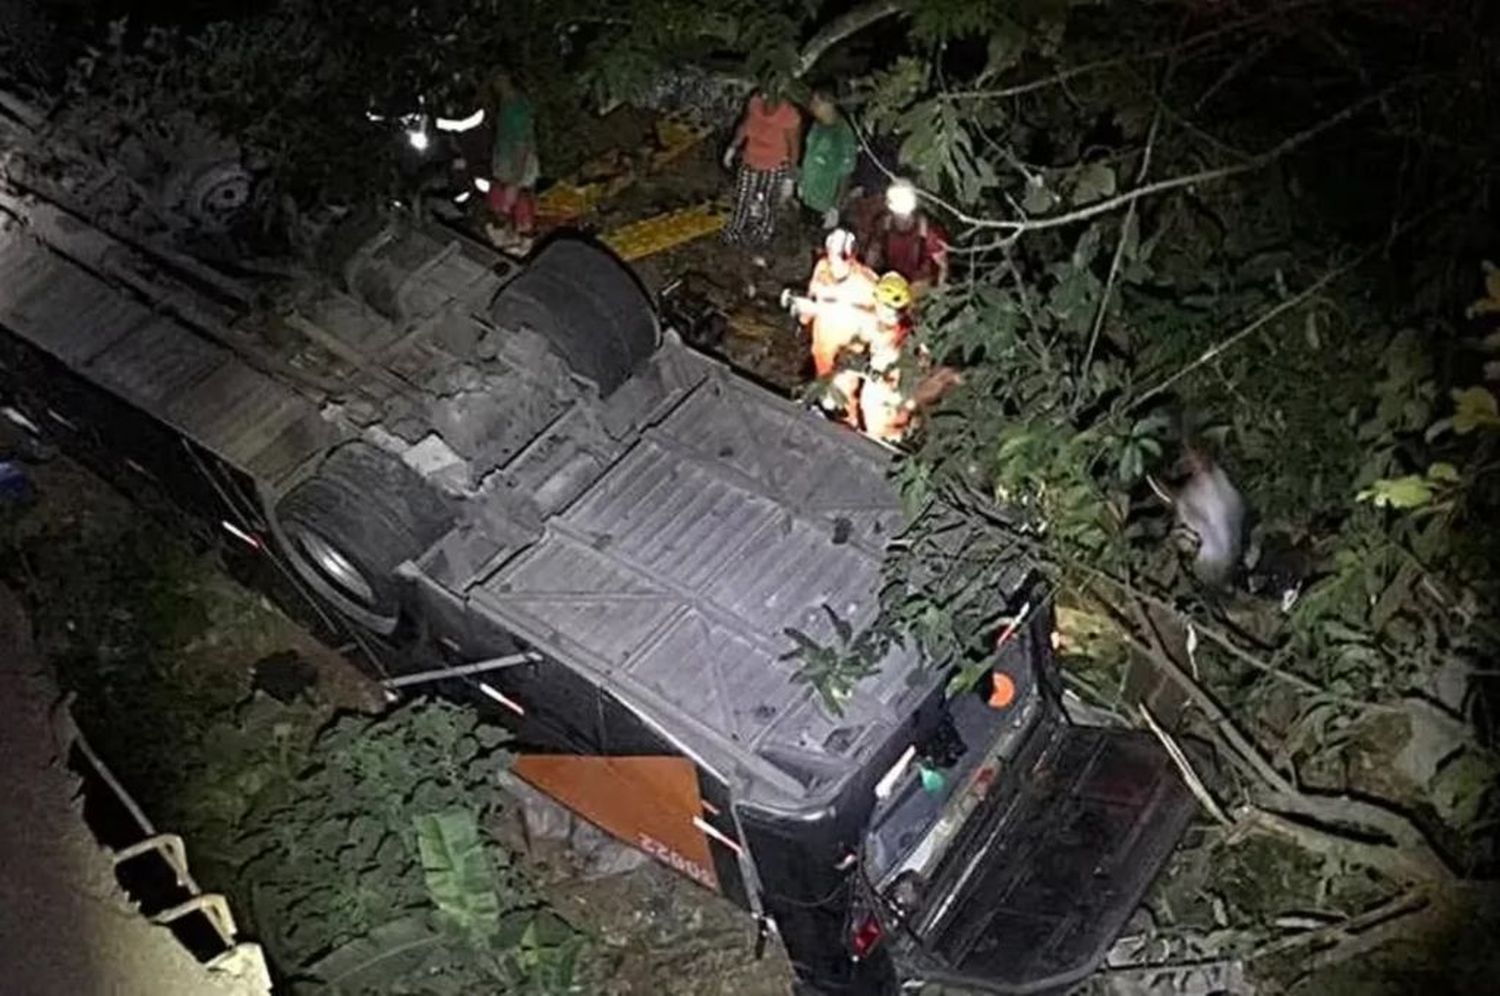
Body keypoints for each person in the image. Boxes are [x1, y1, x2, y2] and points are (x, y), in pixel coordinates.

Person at [785, 228, 878, 426]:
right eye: (833, 255)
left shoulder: (866, 283)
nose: (836, 263)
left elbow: (878, 322)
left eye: (842, 257)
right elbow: (812, 296)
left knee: (844, 399)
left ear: (852, 255)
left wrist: (826, 308)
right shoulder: (822, 268)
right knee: (823, 385)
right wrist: (804, 310)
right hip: (823, 344)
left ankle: (849, 429)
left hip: (847, 354)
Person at [721, 88, 801, 252]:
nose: (765, 99)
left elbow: (794, 147)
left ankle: (763, 234)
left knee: (769, 202)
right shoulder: (755, 103)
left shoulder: (789, 115)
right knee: (743, 197)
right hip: (751, 159)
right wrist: (732, 147)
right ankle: (735, 230)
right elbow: (744, 126)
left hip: (775, 164)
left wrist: (790, 177)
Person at [870, 179, 950, 294]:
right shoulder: (883, 225)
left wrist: (937, 295)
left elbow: (943, 267)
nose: (902, 218)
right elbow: (872, 255)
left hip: (919, 285)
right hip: (892, 283)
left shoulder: (930, 232)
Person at [486, 71, 539, 244]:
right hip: (509, 160)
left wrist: (516, 176)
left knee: (510, 202)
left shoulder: (516, 108)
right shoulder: (509, 104)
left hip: (514, 165)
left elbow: (523, 143)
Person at [797, 88, 858, 230]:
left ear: (828, 104)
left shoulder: (843, 134)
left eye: (816, 102)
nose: (811, 106)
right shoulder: (817, 125)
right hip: (807, 195)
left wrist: (835, 208)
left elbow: (846, 174)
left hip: (824, 203)